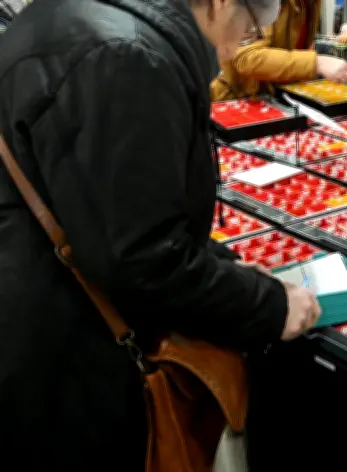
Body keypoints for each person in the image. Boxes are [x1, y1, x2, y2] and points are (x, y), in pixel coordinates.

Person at [0, 0, 321, 470]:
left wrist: (226, 268)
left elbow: (113, 211)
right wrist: (268, 305)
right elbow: (142, 259)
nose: (237, 48)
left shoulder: (84, 18)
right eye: (250, 29)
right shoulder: (128, 59)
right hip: (62, 357)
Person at [210, 0, 347, 101]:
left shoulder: (310, 3)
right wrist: (317, 63)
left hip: (277, 98)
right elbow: (246, 57)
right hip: (240, 100)